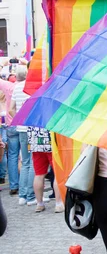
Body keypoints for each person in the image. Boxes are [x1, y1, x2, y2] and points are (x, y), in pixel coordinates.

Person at [8, 66, 35, 205]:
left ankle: (22, 195)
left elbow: (11, 108)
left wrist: (19, 119)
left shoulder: (17, 87)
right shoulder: (34, 86)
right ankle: (31, 195)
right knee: (33, 162)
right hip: (32, 127)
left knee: (25, 162)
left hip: (21, 128)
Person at [28, 126, 64, 213]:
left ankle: (39, 204)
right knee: (58, 173)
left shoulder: (32, 112)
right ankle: (59, 204)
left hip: (35, 143)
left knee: (39, 175)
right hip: (51, 143)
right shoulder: (51, 112)